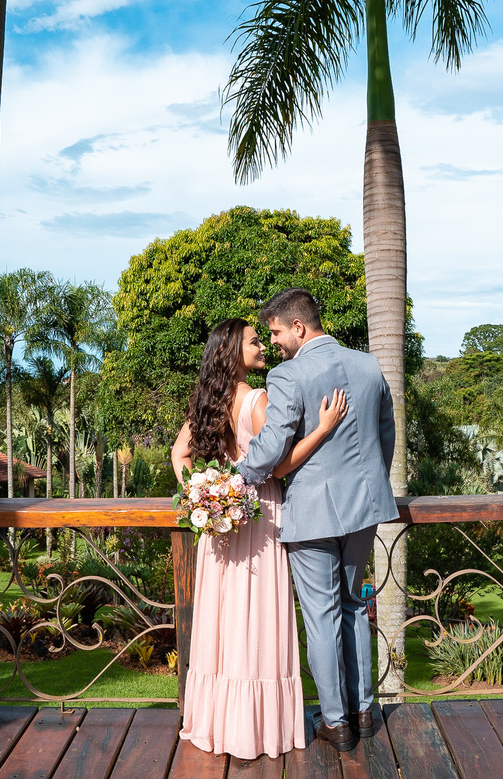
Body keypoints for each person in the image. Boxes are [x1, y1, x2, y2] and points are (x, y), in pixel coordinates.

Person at [171, 317, 349, 759]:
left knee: (224, 621)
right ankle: (257, 728)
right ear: (234, 351)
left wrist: (204, 494)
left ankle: (219, 723)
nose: (263, 347)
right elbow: (279, 463)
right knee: (256, 620)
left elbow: (179, 454)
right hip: (259, 514)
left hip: (221, 523)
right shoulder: (256, 399)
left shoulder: (206, 400)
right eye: (255, 341)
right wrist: (323, 429)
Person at [236, 288, 400, 753]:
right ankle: (364, 713)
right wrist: (371, 484)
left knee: (322, 616)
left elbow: (272, 446)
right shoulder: (369, 365)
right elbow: (385, 433)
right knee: (353, 606)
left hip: (312, 514)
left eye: (275, 332)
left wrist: (235, 477)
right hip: (366, 508)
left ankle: (336, 722)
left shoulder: (289, 374)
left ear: (299, 327)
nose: (273, 342)